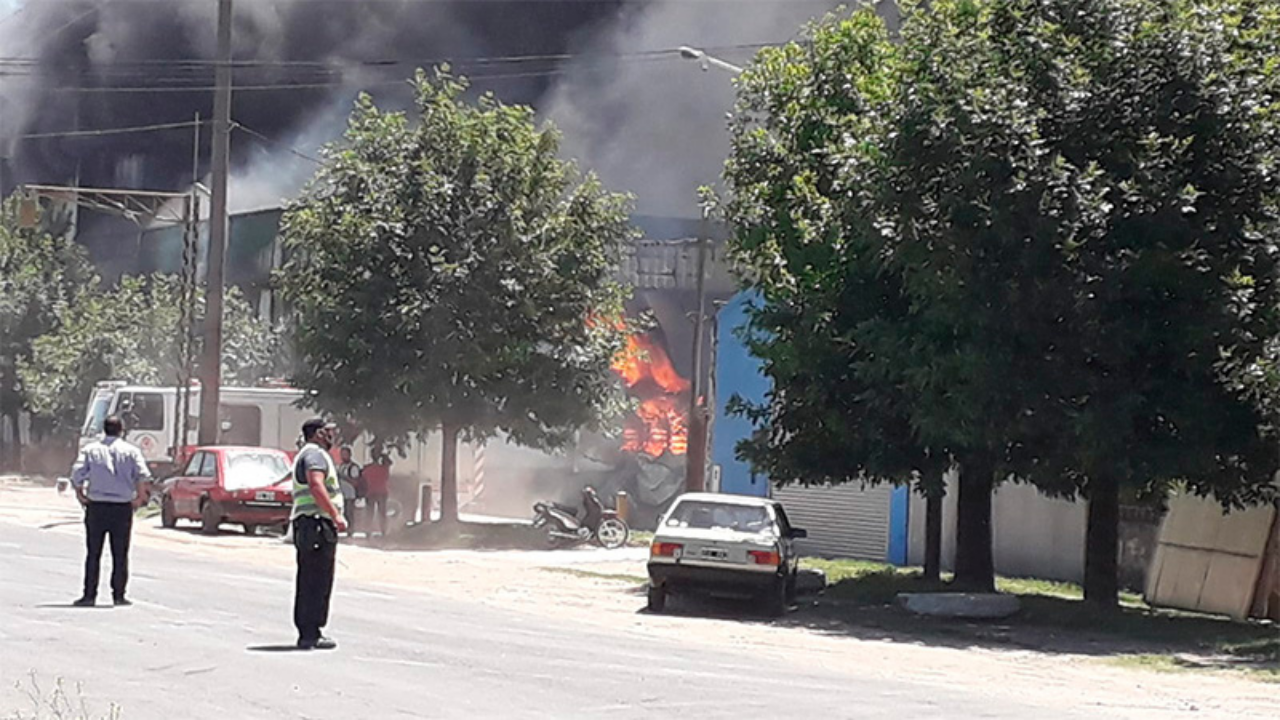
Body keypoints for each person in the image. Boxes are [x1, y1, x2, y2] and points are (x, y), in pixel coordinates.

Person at [71, 415, 152, 607]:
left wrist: (80, 495)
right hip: (122, 509)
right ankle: (119, 595)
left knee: (93, 553)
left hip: (96, 507)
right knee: (120, 553)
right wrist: (139, 498)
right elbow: (143, 476)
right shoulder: (132, 451)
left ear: (104, 429)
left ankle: (89, 595)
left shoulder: (90, 450)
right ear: (121, 430)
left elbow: (77, 474)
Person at [291, 418, 347, 650]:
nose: (331, 436)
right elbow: (316, 485)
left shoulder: (307, 453)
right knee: (317, 579)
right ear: (316, 434)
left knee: (310, 578)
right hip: (316, 524)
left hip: (309, 524)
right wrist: (335, 515)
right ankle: (310, 632)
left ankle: (309, 631)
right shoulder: (315, 455)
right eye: (327, 432)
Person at [362, 450, 392, 538]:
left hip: (370, 492)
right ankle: (383, 531)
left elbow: (363, 479)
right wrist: (384, 456)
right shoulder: (384, 469)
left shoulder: (367, 469)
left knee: (369, 513)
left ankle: (368, 532)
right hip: (382, 492)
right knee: (382, 513)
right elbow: (389, 463)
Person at [337, 446, 362, 538]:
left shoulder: (353, 467)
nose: (343, 456)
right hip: (341, 493)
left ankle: (351, 530)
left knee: (350, 512)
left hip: (350, 494)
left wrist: (343, 477)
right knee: (343, 512)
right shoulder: (341, 466)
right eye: (342, 454)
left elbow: (355, 481)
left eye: (345, 454)